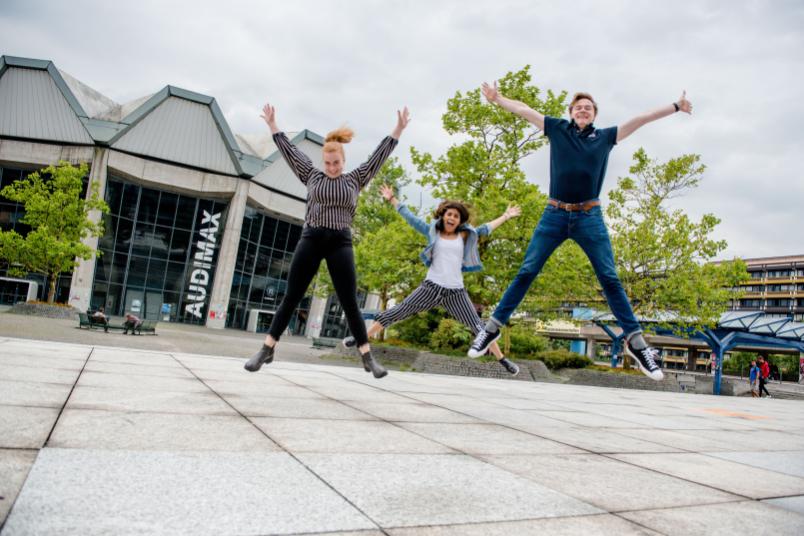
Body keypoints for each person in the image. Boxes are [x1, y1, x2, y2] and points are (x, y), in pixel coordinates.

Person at [468, 81, 693, 382]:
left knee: (609, 277)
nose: (582, 110)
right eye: (578, 107)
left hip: (590, 215)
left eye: (588, 107)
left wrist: (676, 107)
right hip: (554, 214)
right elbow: (525, 111)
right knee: (527, 271)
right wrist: (498, 100)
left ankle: (637, 344)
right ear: (571, 113)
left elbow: (642, 118)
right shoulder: (557, 129)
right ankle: (491, 328)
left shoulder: (605, 137)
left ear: (594, 114)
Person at [245, 102, 410, 378]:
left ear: (343, 161)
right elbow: (290, 152)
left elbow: (378, 157)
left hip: (340, 243)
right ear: (324, 162)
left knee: (349, 301)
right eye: (328, 163)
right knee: (292, 296)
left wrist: (398, 130)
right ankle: (267, 348)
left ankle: (367, 357)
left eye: (336, 163)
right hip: (311, 239)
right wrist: (273, 125)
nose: (332, 167)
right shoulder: (311, 174)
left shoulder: (356, 179)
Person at [344, 185, 522, 375]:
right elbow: (411, 218)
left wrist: (506, 216)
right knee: (397, 311)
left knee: (480, 328)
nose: (452, 218)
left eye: (456, 216)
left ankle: (503, 360)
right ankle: (361, 338)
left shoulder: (464, 235)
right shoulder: (432, 231)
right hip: (430, 287)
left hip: (455, 292)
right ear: (443, 216)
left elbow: (486, 228)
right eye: (449, 214)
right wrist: (391, 199)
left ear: (460, 220)